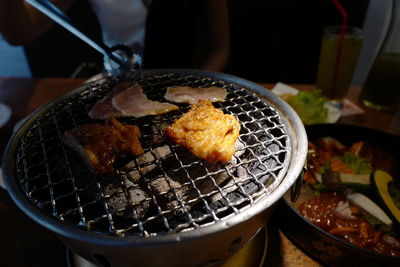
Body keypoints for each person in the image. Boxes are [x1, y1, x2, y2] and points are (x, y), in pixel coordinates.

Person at [0, 0, 230, 76]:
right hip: (110, 84)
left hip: (177, 84)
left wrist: (198, 93)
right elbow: (20, 32)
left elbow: (220, 48)